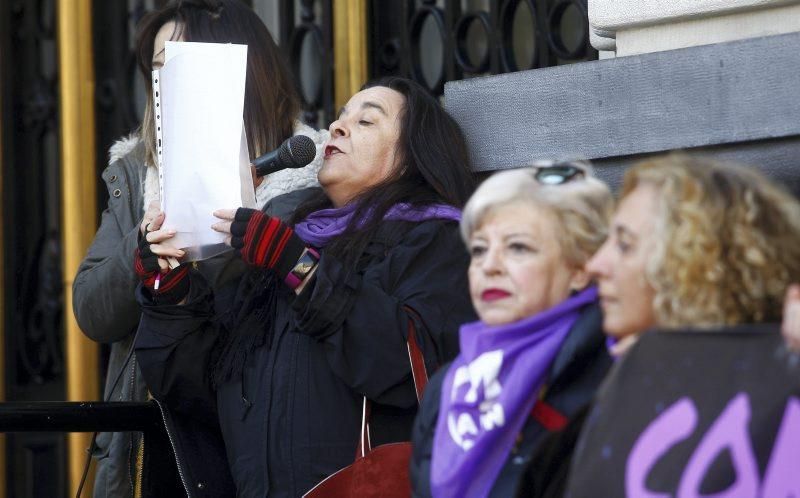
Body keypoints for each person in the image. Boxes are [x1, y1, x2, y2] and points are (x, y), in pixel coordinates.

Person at [133, 76, 479, 496]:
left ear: (411, 157)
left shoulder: (436, 240)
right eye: (340, 117)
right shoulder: (289, 238)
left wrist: (298, 266)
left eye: (366, 122)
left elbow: (403, 366)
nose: (337, 127)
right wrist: (172, 294)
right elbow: (199, 388)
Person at [71, 1, 325, 497]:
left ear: (240, 69)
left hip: (249, 454)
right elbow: (91, 312)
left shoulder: (309, 179)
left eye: (177, 64)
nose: (162, 85)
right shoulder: (134, 175)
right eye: (157, 71)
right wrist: (141, 249)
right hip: (145, 455)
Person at [517, 153, 800, 498]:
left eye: (624, 244)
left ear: (696, 267)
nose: (595, 264)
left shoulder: (782, 406)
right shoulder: (596, 401)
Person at [409, 162, 615, 497]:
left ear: (579, 269)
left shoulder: (612, 372)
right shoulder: (447, 385)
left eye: (518, 247)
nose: (489, 266)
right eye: (479, 250)